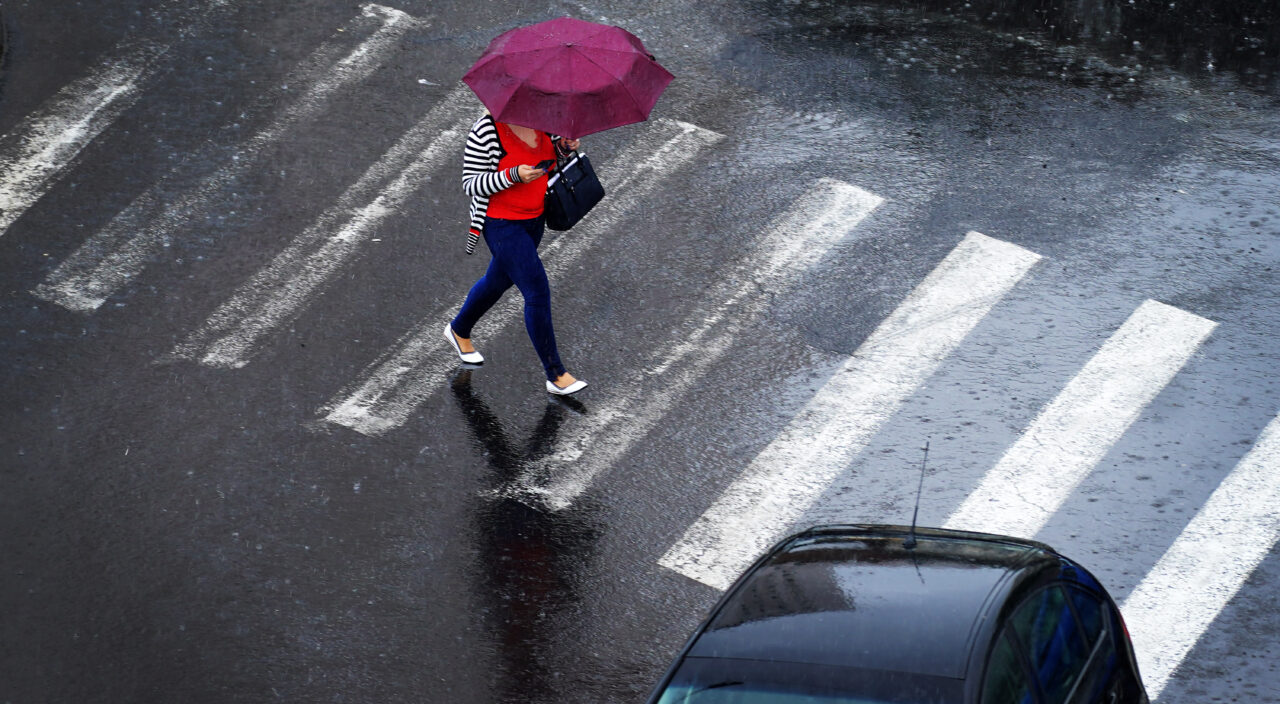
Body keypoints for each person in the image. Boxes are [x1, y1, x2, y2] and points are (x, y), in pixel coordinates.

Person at [444, 112, 587, 396]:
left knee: (497, 281)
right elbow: (470, 184)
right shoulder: (486, 131)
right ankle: (556, 374)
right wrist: (513, 175)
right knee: (537, 292)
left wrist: (563, 148)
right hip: (501, 225)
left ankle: (459, 329)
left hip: (534, 220)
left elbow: (548, 161)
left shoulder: (544, 121)